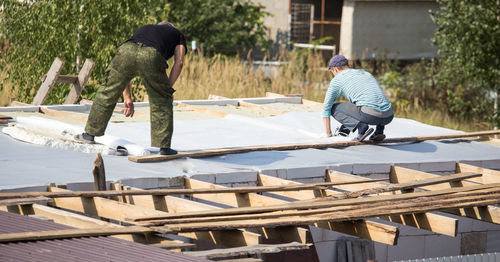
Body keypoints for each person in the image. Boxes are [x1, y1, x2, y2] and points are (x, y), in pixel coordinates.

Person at [75, 22, 186, 155]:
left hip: (126, 50)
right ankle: (164, 148)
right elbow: (179, 63)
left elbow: (127, 68)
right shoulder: (177, 34)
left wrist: (127, 97)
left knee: (107, 91)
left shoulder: (146, 28)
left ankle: (89, 134)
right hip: (151, 55)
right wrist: (167, 89)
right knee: (161, 100)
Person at [322, 55, 393, 142]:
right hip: (389, 115)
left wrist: (328, 133)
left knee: (333, 108)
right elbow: (377, 97)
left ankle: (361, 127)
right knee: (373, 101)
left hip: (370, 116)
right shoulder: (365, 73)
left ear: (335, 69)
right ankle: (379, 131)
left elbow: (326, 108)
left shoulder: (337, 80)